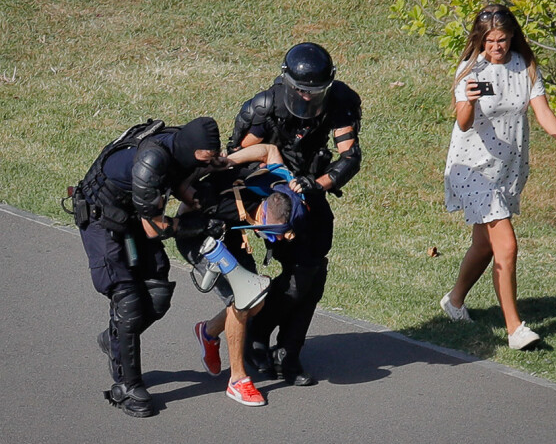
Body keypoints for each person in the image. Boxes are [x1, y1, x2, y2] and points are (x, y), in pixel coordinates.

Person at [440, 5, 556, 350]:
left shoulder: (525, 68)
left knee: (483, 246)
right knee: (507, 245)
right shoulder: (470, 69)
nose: (497, 47)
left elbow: (542, 111)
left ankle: (454, 301)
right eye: (490, 41)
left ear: (512, 37)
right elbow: (462, 123)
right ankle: (515, 329)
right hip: (471, 168)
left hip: (506, 168)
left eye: (502, 40)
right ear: (480, 40)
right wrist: (470, 101)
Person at [227, 42, 362, 384]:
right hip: (273, 197)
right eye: (301, 91)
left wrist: (316, 184)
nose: (307, 98)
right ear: (288, 84)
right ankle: (257, 333)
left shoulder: (341, 102)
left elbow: (349, 156)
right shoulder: (264, 107)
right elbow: (238, 159)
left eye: (315, 92)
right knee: (303, 273)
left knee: (315, 274)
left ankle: (287, 353)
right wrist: (276, 186)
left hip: (311, 188)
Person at [73, 116, 226, 417]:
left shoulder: (183, 151)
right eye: (203, 159)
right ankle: (126, 387)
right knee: (128, 301)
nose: (205, 162)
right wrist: (198, 225)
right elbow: (155, 229)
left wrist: (201, 199)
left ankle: (114, 338)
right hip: (101, 220)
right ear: (189, 149)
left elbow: (181, 182)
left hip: (131, 216)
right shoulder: (151, 161)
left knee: (157, 296)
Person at [175, 150, 310, 406]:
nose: (282, 238)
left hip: (231, 235)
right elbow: (181, 213)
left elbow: (269, 149)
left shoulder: (281, 183)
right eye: (280, 232)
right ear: (265, 217)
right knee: (241, 300)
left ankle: (207, 332)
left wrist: (232, 160)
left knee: (256, 298)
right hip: (198, 236)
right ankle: (237, 380)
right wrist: (218, 167)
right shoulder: (219, 200)